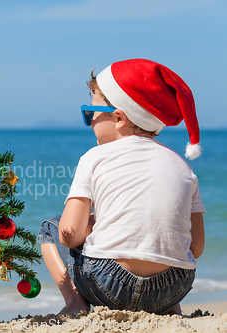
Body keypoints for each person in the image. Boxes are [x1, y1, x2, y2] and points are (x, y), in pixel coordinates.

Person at [37, 58, 205, 316]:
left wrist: (94, 224)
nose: (90, 120)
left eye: (89, 112)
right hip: (173, 287)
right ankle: (170, 308)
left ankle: (74, 303)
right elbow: (195, 247)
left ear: (118, 118)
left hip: (107, 285)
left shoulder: (93, 157)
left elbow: (69, 235)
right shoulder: (183, 167)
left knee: (50, 227)